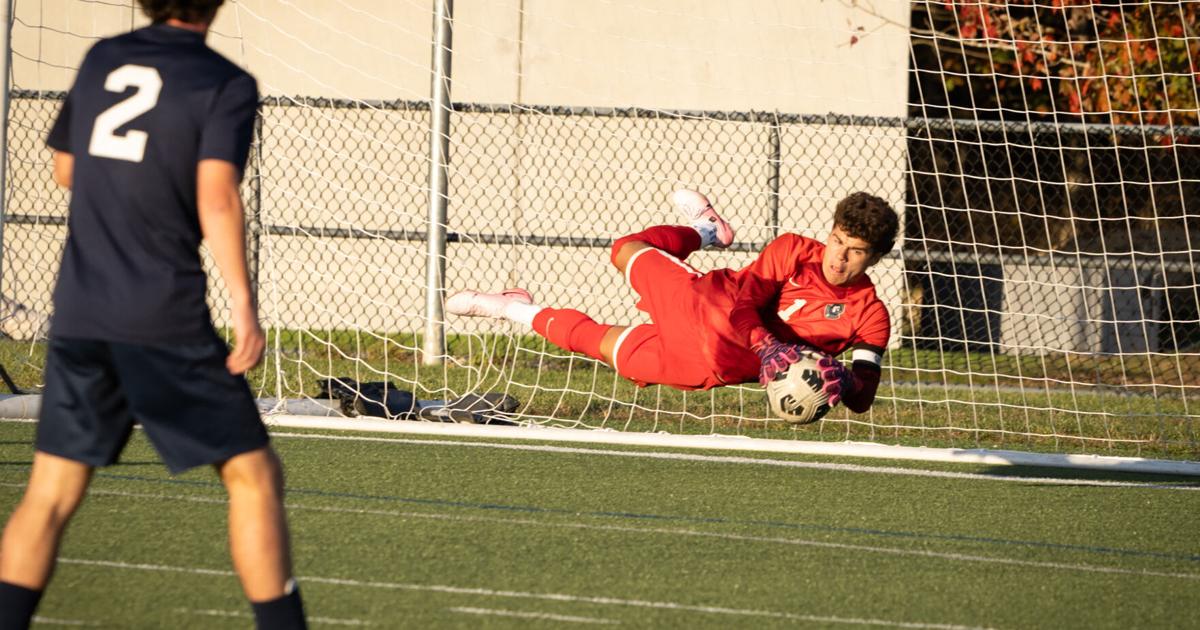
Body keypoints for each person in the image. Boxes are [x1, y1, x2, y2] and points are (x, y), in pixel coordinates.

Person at [0, 2, 306, 628]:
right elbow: (216, 195)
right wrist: (244, 306)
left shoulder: (103, 57)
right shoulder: (224, 82)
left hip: (82, 309)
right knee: (252, 476)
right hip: (161, 315)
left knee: (51, 492)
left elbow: (64, 169)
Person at [447, 189, 898, 414]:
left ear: (875, 257)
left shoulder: (871, 318)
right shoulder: (794, 250)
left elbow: (864, 396)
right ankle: (707, 231)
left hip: (705, 364)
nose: (839, 257)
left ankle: (509, 308)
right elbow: (742, 308)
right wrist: (767, 346)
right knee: (623, 248)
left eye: (856, 250)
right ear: (830, 232)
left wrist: (838, 378)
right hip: (700, 302)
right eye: (838, 240)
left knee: (599, 345)